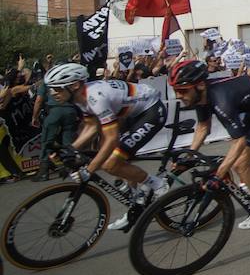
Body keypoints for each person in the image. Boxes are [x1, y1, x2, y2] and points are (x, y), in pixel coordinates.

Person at [171, 59, 250, 230]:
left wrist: (219, 175)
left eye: (182, 91)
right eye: (175, 91)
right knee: (244, 160)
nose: (178, 96)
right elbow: (203, 128)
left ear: (200, 85)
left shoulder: (220, 99)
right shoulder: (202, 96)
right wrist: (188, 156)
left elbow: (238, 141)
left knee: (240, 164)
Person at [52, 63, 170, 230]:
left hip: (151, 111)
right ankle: (137, 203)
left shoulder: (96, 97)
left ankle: (157, 184)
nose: (53, 93)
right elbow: (92, 127)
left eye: (57, 89)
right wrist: (70, 149)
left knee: (110, 163)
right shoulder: (80, 97)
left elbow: (112, 138)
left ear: (74, 85)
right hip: (132, 113)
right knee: (113, 158)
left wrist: (88, 170)